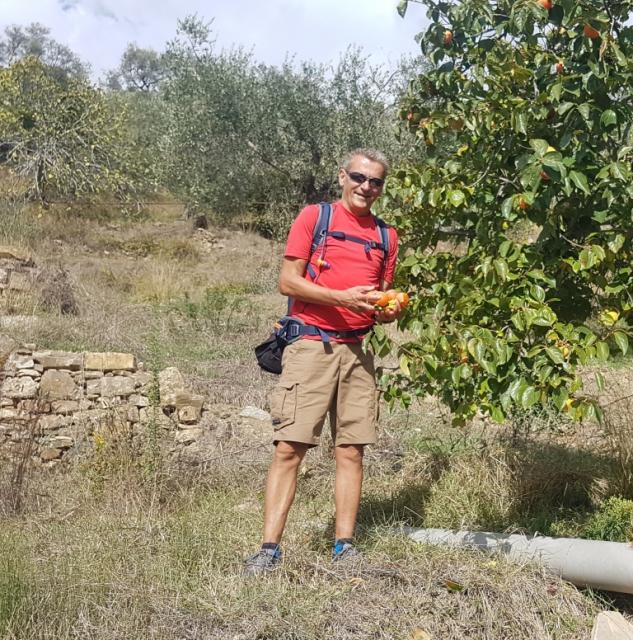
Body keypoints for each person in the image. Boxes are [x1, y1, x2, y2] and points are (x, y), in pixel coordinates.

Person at [245, 148, 401, 576]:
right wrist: (340, 297)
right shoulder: (316, 218)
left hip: (357, 350)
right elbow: (287, 281)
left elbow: (377, 298)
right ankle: (268, 550)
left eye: (376, 182)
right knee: (290, 448)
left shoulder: (387, 237)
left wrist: (384, 310)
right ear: (342, 177)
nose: (366, 187)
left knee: (351, 450)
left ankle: (344, 547)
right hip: (312, 346)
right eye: (359, 177)